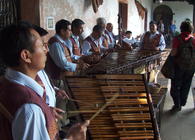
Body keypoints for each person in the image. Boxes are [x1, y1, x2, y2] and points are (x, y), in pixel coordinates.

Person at [0, 22, 89, 140]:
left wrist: (45, 110)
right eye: (42, 45)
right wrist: (72, 138)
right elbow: (27, 113)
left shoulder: (6, 82)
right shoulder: (31, 109)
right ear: (26, 56)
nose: (46, 50)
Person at [170, 21, 195, 111]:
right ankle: (183, 102)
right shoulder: (193, 39)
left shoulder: (177, 38)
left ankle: (177, 105)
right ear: (191, 29)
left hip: (179, 66)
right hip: (191, 67)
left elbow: (174, 52)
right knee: (186, 85)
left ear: (181, 28)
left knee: (176, 85)